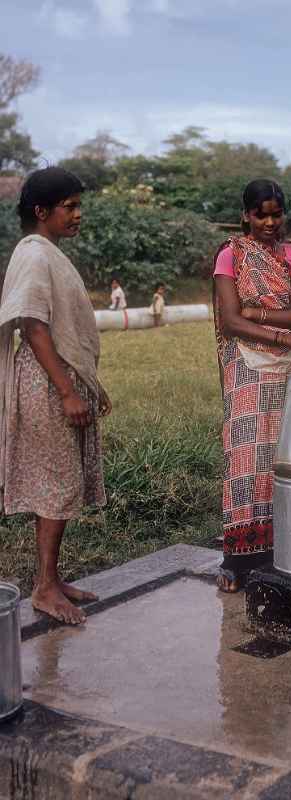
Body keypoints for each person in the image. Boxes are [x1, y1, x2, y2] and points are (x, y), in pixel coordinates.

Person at [0, 166, 111, 625]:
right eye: (70, 206)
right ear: (42, 212)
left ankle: (51, 577)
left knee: (58, 485)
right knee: (56, 485)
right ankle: (45, 588)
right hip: (48, 385)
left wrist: (83, 385)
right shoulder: (34, 253)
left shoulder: (48, 252)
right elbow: (33, 323)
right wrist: (67, 391)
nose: (78, 214)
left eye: (78, 205)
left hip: (57, 381)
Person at [213, 178, 291, 593]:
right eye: (261, 214)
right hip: (248, 367)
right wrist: (277, 331)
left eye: (277, 214)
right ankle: (236, 558)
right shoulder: (230, 257)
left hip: (288, 367)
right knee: (245, 456)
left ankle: (283, 550)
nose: (270, 222)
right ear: (246, 215)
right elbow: (229, 320)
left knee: (284, 455)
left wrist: (253, 314)